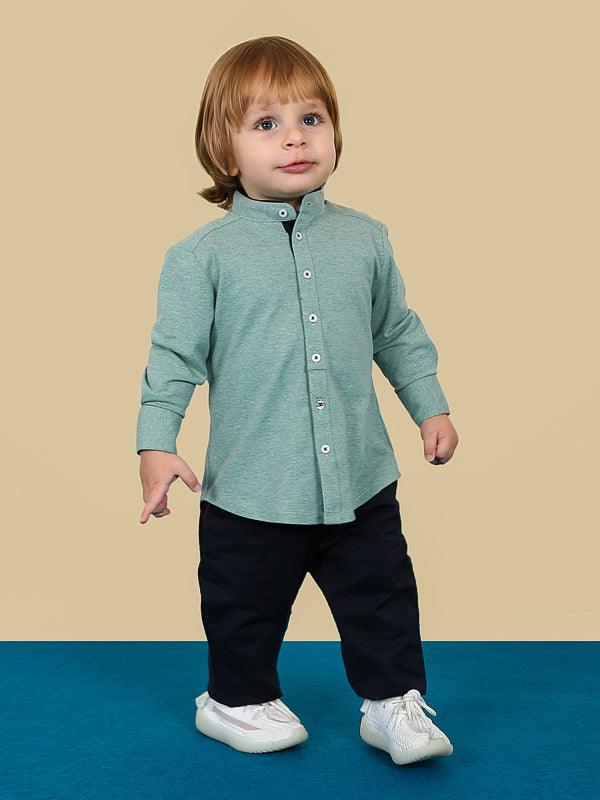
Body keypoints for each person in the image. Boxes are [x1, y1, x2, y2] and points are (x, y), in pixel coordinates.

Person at [136, 35, 459, 766]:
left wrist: (429, 406)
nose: (295, 138)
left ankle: (392, 702)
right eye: (266, 123)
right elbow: (173, 359)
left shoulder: (365, 239)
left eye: (311, 119)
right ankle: (234, 700)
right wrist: (156, 444)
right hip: (251, 489)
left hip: (360, 480)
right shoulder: (200, 258)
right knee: (243, 608)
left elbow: (396, 331)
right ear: (223, 149)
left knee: (383, 598)